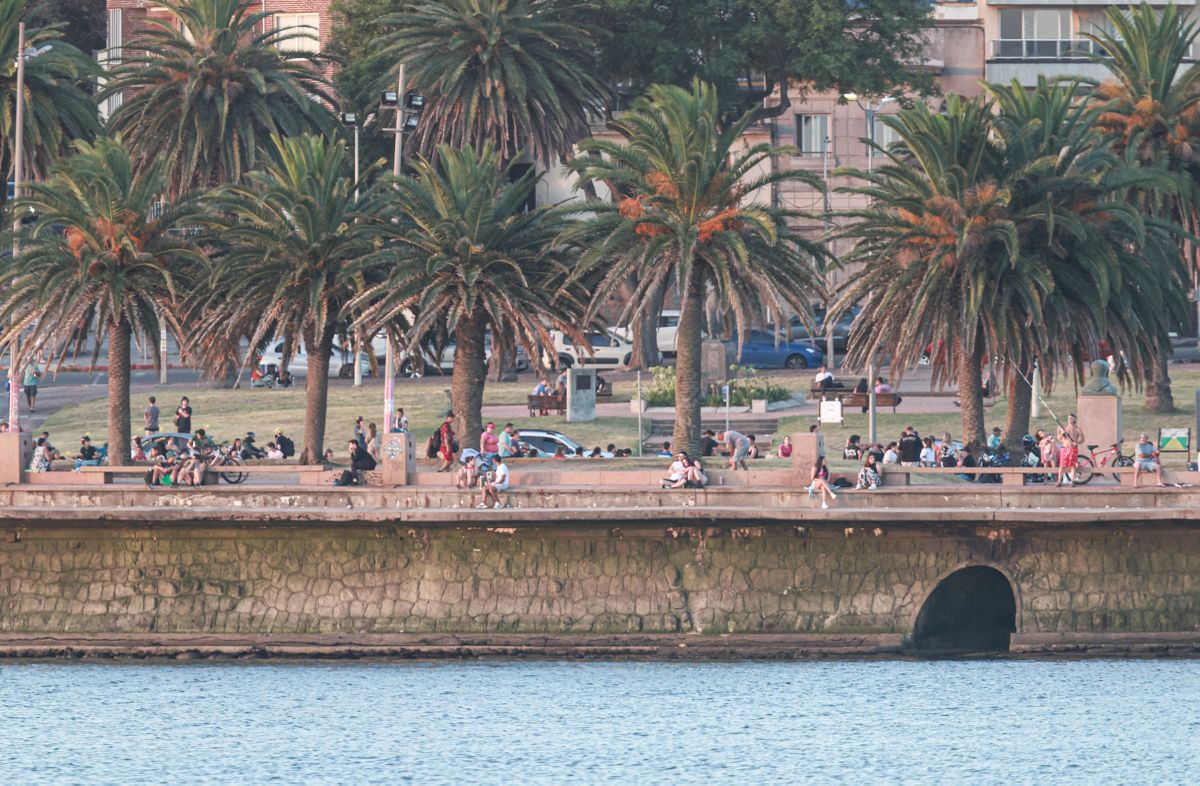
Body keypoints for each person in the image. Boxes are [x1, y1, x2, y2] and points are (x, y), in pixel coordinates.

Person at [1056, 413, 1085, 487]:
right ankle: (1059, 481)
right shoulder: (1064, 428)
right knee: (1062, 465)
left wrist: (1077, 442)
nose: (1069, 419)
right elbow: (1059, 438)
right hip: (1064, 449)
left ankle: (1072, 482)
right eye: (1069, 418)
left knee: (1073, 465)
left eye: (1071, 418)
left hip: (1073, 449)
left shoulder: (1077, 428)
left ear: (1075, 419)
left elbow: (1082, 439)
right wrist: (1061, 433)